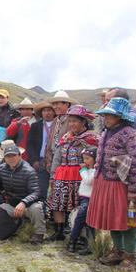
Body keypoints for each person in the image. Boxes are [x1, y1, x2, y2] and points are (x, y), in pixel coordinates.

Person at [87, 97, 136, 268]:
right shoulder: (105, 132)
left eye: (110, 115)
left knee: (130, 221)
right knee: (113, 219)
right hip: (106, 183)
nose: (106, 118)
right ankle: (118, 250)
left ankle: (130, 255)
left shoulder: (131, 135)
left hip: (123, 186)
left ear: (121, 116)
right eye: (105, 115)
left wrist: (134, 190)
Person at [47, 105, 98, 241]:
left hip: (80, 175)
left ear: (83, 122)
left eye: (75, 121)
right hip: (62, 173)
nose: (71, 124)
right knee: (58, 203)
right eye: (70, 121)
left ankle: (80, 235)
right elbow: (57, 156)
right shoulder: (65, 137)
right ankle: (59, 231)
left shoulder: (90, 139)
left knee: (78, 204)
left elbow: (94, 158)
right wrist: (53, 174)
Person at [0, 142, 46, 245]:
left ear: (20, 156)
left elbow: (36, 192)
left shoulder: (29, 171)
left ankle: (39, 234)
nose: (11, 158)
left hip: (29, 205)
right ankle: (12, 229)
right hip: (11, 204)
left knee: (36, 208)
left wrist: (23, 203)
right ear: (4, 158)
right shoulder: (1, 169)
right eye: (8, 156)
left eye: (14, 155)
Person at [66, 147, 96, 254]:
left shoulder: (95, 171)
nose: (85, 161)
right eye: (84, 159)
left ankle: (74, 241)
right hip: (83, 198)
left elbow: (88, 181)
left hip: (90, 199)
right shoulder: (89, 170)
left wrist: (82, 170)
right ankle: (78, 241)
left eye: (88, 159)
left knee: (82, 219)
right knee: (80, 220)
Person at [27, 102, 56, 201]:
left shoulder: (58, 125)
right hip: (40, 160)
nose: (47, 113)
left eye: (49, 110)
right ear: (41, 113)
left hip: (55, 160)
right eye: (44, 111)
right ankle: (41, 211)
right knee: (41, 188)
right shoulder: (36, 126)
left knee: (55, 188)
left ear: (53, 112)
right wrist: (34, 160)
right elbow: (30, 144)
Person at [44, 90, 78, 172]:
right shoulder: (55, 120)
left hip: (66, 161)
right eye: (54, 104)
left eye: (57, 104)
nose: (55, 107)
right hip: (53, 159)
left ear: (66, 104)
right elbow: (50, 141)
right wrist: (48, 159)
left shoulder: (72, 120)